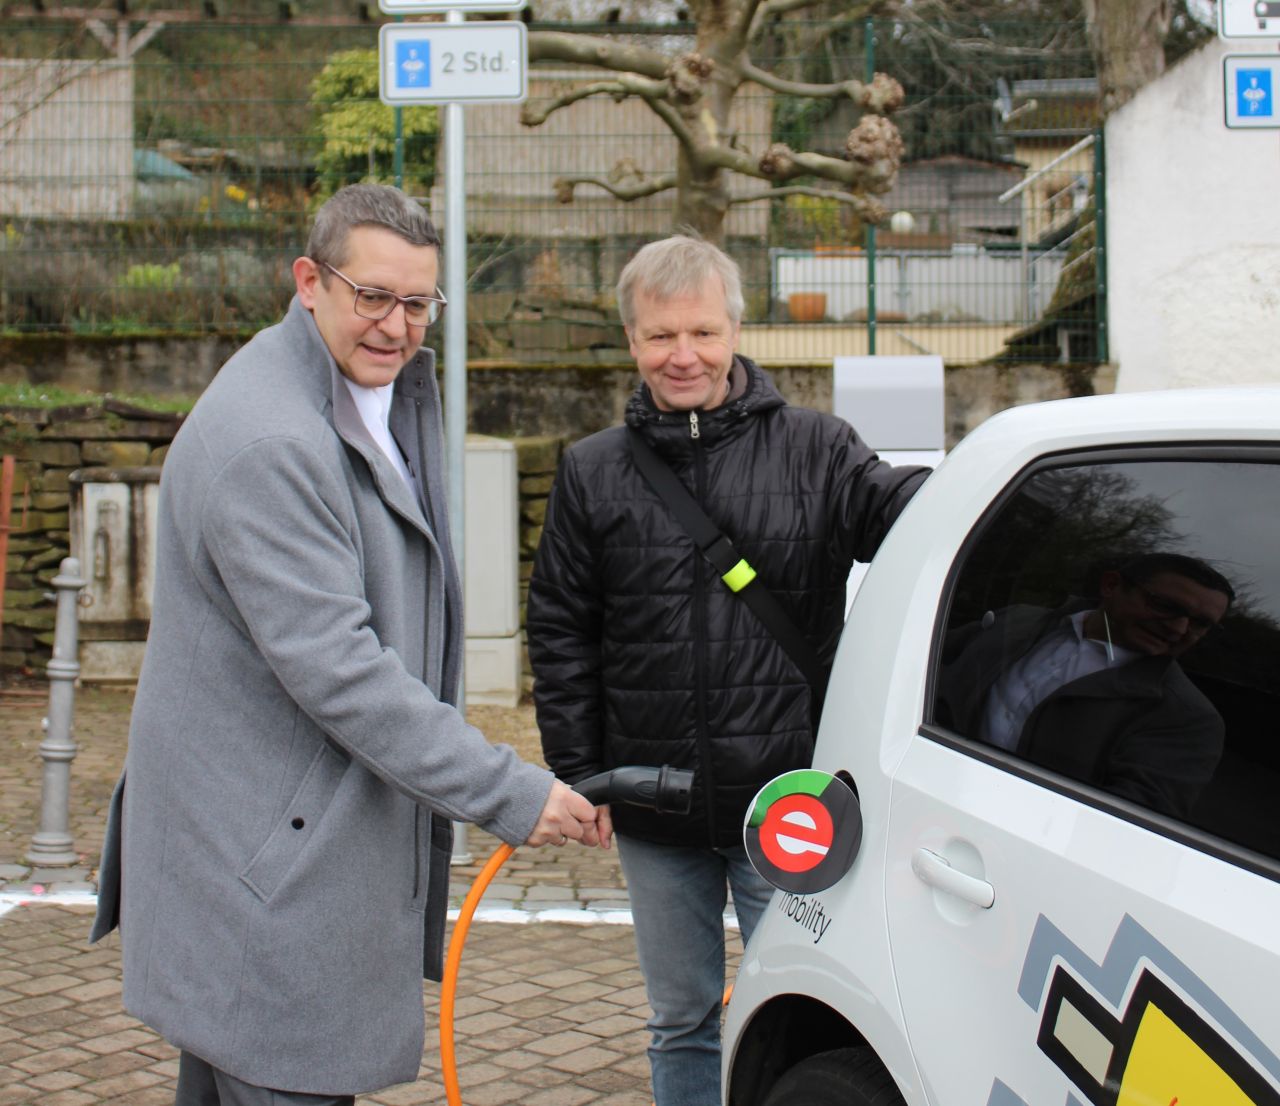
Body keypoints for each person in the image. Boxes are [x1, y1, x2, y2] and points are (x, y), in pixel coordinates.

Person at [89, 184, 599, 1106]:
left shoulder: (361, 390)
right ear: (309, 282)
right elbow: (344, 673)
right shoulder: (271, 444)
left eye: (417, 303)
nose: (396, 328)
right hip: (264, 873)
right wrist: (512, 791)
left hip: (265, 858)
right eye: (372, 296)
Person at [526, 234, 928, 1106]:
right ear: (631, 339)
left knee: (815, 1009)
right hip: (652, 805)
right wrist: (580, 774)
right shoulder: (592, 471)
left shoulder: (819, 448)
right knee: (680, 1020)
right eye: (661, 335)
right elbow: (561, 630)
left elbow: (899, 512)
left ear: (737, 329)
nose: (684, 356)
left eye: (703, 333)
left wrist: (975, 490)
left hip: (786, 803)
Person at [937, 552, 1234, 819]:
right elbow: (919, 667)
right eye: (1166, 606)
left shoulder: (1187, 718)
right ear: (1111, 586)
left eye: (1200, 624)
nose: (1179, 628)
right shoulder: (1017, 621)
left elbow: (1126, 823)